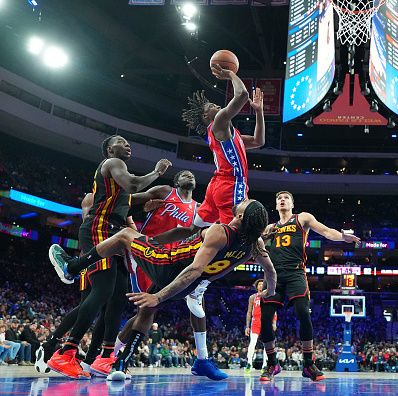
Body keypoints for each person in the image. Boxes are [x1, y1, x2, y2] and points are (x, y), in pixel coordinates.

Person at [49, 199, 277, 381]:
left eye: (246, 203)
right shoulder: (253, 246)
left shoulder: (220, 232)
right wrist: (269, 291)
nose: (244, 200)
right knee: (147, 311)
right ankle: (119, 363)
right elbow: (271, 273)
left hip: (167, 264)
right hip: (185, 285)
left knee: (125, 236)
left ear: (239, 216)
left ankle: (72, 267)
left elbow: (194, 269)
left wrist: (157, 295)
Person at [47, 135, 171, 379]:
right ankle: (65, 352)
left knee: (117, 298)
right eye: (122, 142)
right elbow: (135, 185)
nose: (127, 145)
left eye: (128, 143)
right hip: (99, 230)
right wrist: (157, 172)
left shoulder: (118, 187)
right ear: (109, 148)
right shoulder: (113, 164)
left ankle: (105, 357)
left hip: (116, 234)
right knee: (102, 292)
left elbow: (134, 196)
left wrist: (156, 197)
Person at [118, 171, 227, 380]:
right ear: (176, 181)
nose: (189, 175)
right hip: (148, 255)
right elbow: (127, 200)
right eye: (184, 173)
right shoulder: (165, 192)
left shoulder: (199, 209)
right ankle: (110, 354)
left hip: (177, 261)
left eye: (192, 174)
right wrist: (142, 210)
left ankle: (202, 359)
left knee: (197, 301)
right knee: (146, 310)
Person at [258, 191, 360, 382]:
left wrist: (343, 237)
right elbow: (255, 246)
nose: (282, 200)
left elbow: (326, 231)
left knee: (304, 313)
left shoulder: (302, 218)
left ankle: (308, 364)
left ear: (292, 204)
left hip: (296, 272)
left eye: (286, 198)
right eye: (279, 198)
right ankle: (272, 363)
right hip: (273, 274)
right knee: (264, 319)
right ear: (276, 205)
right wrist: (263, 237)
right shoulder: (269, 227)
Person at [181, 64, 265, 226]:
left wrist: (259, 112)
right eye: (212, 106)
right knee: (238, 232)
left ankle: (168, 244)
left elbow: (258, 141)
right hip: (231, 184)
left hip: (218, 184)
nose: (218, 106)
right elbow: (242, 95)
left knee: (195, 227)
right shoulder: (217, 122)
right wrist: (231, 75)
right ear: (206, 115)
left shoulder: (229, 133)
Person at [245, 279, 277, 372]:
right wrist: (247, 326)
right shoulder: (252, 297)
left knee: (267, 344)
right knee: (252, 343)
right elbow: (249, 312)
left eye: (262, 284)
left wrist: (274, 323)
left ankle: (265, 365)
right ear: (256, 286)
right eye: (259, 284)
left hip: (266, 321)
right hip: (255, 321)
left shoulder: (270, 296)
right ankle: (249, 363)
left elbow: (274, 311)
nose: (261, 286)